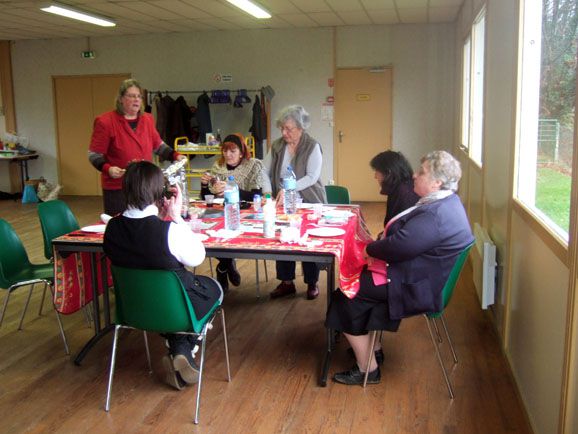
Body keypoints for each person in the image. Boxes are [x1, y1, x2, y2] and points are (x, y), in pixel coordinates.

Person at [326, 150, 474, 385]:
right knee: (360, 281)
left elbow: (400, 246)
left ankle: (368, 369)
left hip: (413, 285)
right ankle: (372, 349)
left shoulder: (435, 215)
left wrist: (370, 250)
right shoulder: (448, 202)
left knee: (345, 294)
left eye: (422, 172)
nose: (414, 175)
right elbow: (405, 243)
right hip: (421, 277)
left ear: (437, 182)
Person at [103, 161, 223, 391]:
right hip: (175, 309)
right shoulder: (169, 230)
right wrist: (176, 217)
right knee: (215, 288)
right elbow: (197, 258)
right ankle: (185, 347)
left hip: (134, 309)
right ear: (160, 193)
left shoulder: (112, 228)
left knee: (169, 299)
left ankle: (180, 350)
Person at [88, 78, 187, 216]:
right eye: (131, 96)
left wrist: (175, 155)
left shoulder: (147, 119)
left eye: (139, 96)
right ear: (121, 99)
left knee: (145, 224)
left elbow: (158, 145)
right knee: (120, 227)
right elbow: (94, 154)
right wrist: (108, 169)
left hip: (145, 186)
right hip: (119, 187)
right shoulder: (105, 122)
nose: (136, 99)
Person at [262, 105, 327, 300]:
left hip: (309, 199)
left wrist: (290, 188)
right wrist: (267, 193)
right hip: (282, 201)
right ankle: (286, 282)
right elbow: (264, 171)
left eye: (288, 128)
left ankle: (312, 283)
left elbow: (312, 176)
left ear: (301, 127)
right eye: (282, 128)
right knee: (283, 239)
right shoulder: (277, 145)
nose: (284, 132)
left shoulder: (312, 146)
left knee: (307, 240)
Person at [200, 133, 264, 292]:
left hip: (245, 213)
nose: (227, 155)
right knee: (209, 234)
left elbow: (257, 195)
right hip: (221, 212)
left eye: (232, 151)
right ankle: (227, 264)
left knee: (227, 233)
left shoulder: (253, 166)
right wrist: (203, 185)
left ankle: (222, 267)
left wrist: (232, 190)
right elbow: (207, 198)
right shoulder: (217, 167)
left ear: (241, 152)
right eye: (225, 151)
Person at [370, 150, 419, 226]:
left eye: (377, 171)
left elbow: (399, 228)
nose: (375, 176)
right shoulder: (399, 187)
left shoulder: (404, 192)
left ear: (388, 173)